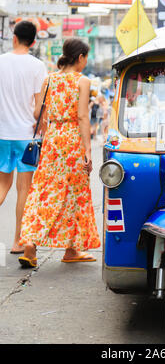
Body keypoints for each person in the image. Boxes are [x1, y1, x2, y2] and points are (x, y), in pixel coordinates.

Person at [18, 38, 100, 268]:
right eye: (86, 57)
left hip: (52, 140)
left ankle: (31, 248)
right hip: (72, 140)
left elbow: (38, 113)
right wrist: (87, 150)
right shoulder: (82, 81)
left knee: (45, 192)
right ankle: (71, 249)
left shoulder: (49, 80)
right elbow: (83, 117)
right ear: (81, 57)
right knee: (75, 192)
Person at [0, 20, 47, 254]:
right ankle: (18, 240)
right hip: (26, 136)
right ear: (34, 41)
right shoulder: (38, 66)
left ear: (14, 37)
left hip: (2, 133)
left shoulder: (0, 61)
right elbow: (39, 109)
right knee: (24, 190)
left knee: (1, 186)